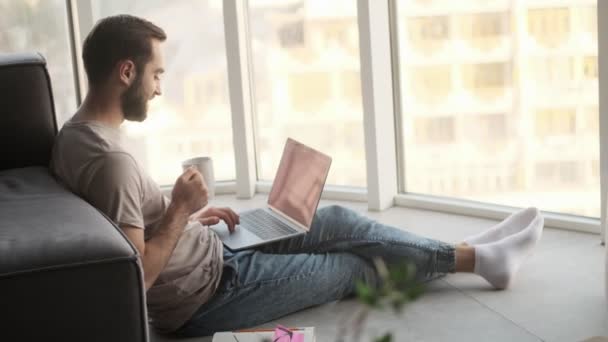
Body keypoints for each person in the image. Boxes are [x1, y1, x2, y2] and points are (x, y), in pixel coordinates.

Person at [50, 15, 544, 337]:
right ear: (127, 71)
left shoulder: (73, 137)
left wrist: (195, 219)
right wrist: (180, 209)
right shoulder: (111, 162)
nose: (159, 89)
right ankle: (479, 258)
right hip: (210, 294)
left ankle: (472, 254)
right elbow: (135, 275)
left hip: (212, 251)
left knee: (334, 221)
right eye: (157, 75)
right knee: (351, 266)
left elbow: (128, 225)